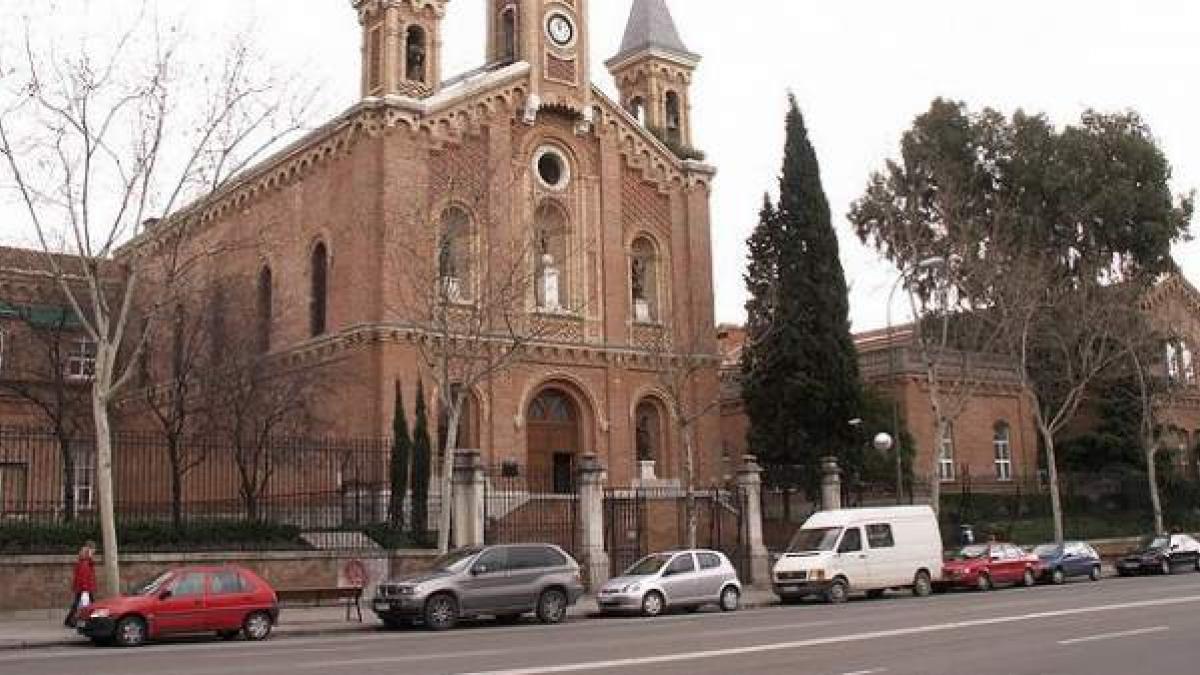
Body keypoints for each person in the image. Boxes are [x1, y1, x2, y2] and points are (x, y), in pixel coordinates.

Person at [65, 541, 97, 628]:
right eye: (94, 549)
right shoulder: (85, 561)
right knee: (89, 604)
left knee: (78, 603)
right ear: (90, 549)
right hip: (85, 587)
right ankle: (71, 620)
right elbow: (83, 576)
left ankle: (69, 620)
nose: (95, 551)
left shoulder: (85, 560)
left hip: (84, 587)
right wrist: (85, 589)